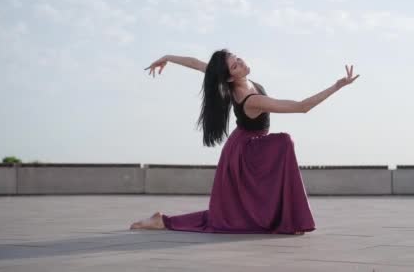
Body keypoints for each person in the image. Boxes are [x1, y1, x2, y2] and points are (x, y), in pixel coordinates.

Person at [130, 49, 360, 235]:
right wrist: (337, 86)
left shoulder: (232, 81)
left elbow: (196, 63)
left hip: (246, 146)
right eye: (235, 65)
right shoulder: (252, 100)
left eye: (237, 58)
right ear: (231, 76)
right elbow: (302, 107)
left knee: (231, 213)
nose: (240, 62)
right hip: (246, 152)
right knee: (284, 143)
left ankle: (162, 220)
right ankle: (164, 221)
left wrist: (168, 57)